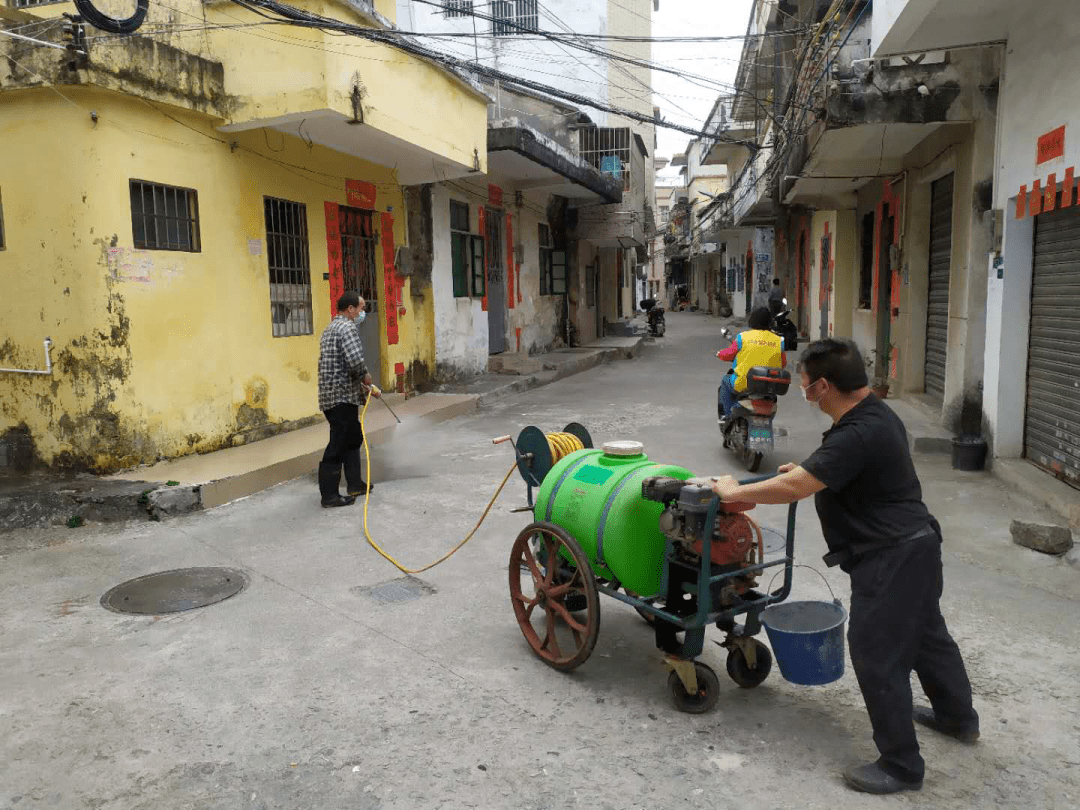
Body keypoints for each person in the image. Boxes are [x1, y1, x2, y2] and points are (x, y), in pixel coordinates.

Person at [709, 338, 979, 795]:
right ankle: (957, 718)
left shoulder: (858, 431)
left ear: (822, 387)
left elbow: (798, 488)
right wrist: (811, 469)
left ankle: (900, 765)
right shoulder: (871, 413)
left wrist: (734, 493)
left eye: (804, 385)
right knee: (928, 637)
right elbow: (837, 470)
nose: (803, 393)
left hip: (891, 557)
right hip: (915, 548)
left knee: (877, 654)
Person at [316, 291, 381, 508]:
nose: (362, 313)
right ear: (350, 309)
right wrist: (366, 377)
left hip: (334, 395)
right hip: (340, 396)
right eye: (361, 308)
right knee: (338, 444)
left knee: (352, 438)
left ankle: (355, 483)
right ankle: (329, 496)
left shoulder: (330, 328)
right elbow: (354, 360)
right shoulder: (347, 327)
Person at [716, 306, 785, 424]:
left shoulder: (743, 337)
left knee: (725, 382)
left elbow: (728, 354)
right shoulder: (779, 341)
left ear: (752, 320)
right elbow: (782, 363)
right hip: (769, 387)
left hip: (744, 384)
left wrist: (719, 354)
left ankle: (725, 416)